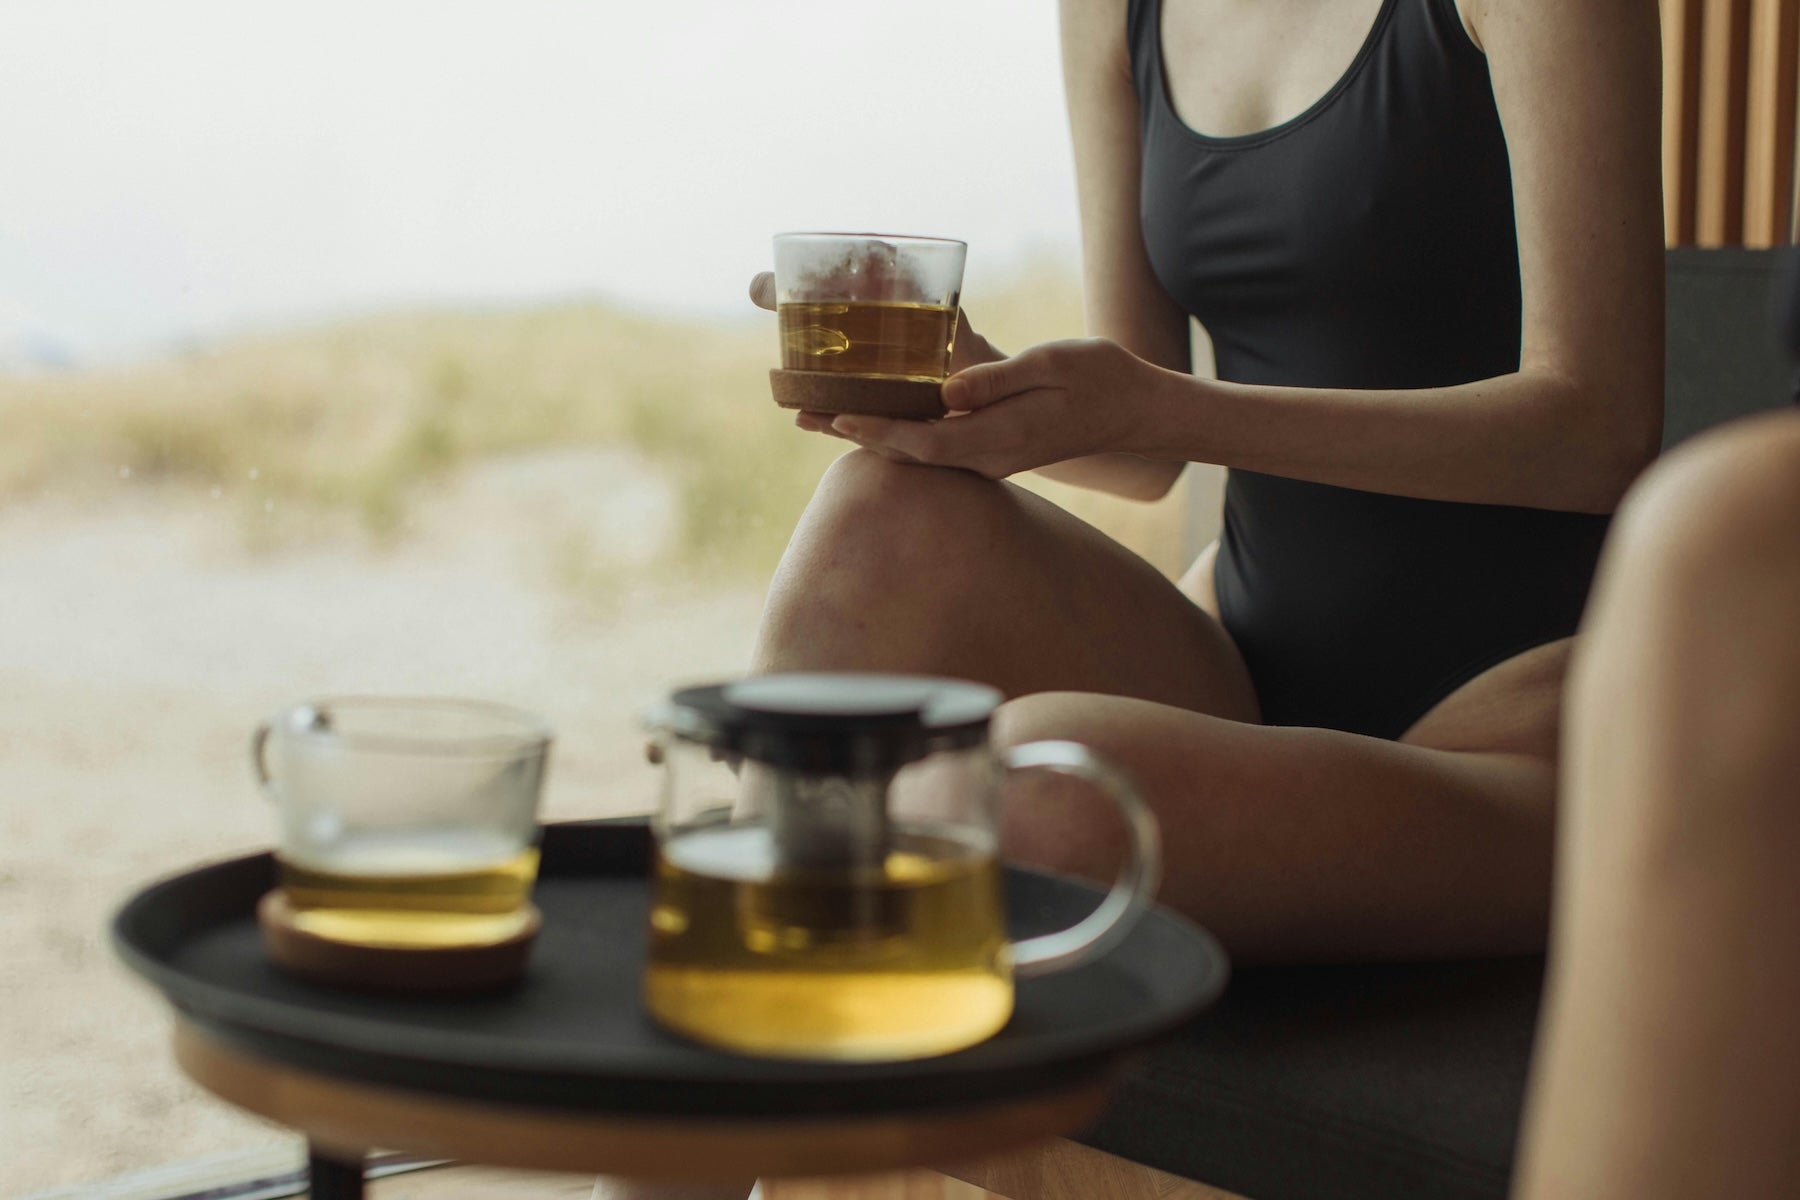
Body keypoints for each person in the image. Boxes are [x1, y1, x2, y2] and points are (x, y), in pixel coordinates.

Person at [750, 0, 1663, 962]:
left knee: (1026, 799)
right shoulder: (1113, 11)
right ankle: (738, 1016)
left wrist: (1158, 406)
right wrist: (975, 386)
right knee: (875, 509)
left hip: (1517, 721)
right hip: (1238, 660)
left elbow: (1597, 435)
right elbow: (1142, 457)